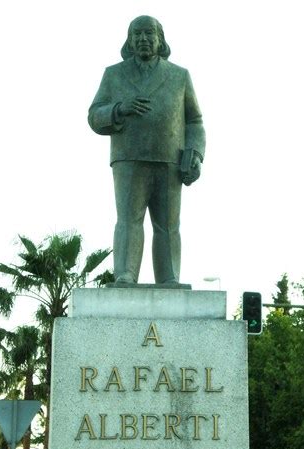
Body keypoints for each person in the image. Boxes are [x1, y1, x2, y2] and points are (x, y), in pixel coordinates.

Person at [88, 15, 205, 284]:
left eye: (149, 34)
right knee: (128, 220)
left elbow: (195, 121)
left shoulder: (179, 76)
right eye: (137, 34)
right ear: (129, 40)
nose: (143, 39)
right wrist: (119, 109)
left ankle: (170, 277)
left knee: (168, 225)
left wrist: (196, 154)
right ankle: (125, 274)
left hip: (170, 159)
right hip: (128, 157)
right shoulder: (114, 74)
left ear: (159, 39)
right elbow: (94, 115)